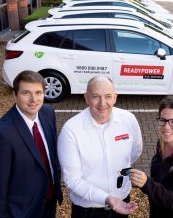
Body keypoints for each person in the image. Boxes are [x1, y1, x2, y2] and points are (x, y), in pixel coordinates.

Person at [58, 76, 142, 218]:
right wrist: (107, 198)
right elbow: (73, 180)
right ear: (86, 97)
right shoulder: (71, 130)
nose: (102, 103)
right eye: (96, 96)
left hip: (122, 204)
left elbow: (135, 152)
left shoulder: (129, 120)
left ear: (115, 97)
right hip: (87, 210)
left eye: (108, 96)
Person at [0, 70, 63, 218]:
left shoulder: (47, 112)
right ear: (15, 95)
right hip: (22, 211)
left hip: (49, 202)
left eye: (38, 92)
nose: (34, 99)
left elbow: (50, 156)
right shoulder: (1, 135)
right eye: (26, 93)